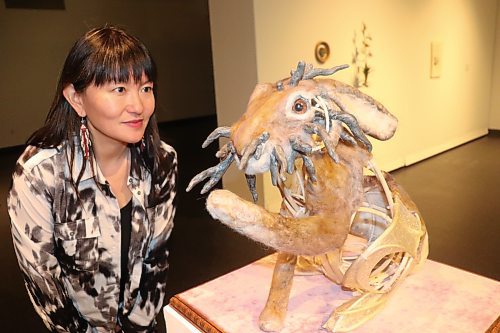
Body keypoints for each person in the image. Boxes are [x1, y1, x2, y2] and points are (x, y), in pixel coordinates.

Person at [7, 25, 177, 332]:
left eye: (146, 87)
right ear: (77, 98)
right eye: (119, 89)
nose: (138, 106)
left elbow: (157, 259)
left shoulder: (161, 160)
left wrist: (140, 325)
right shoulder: (40, 175)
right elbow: (46, 286)